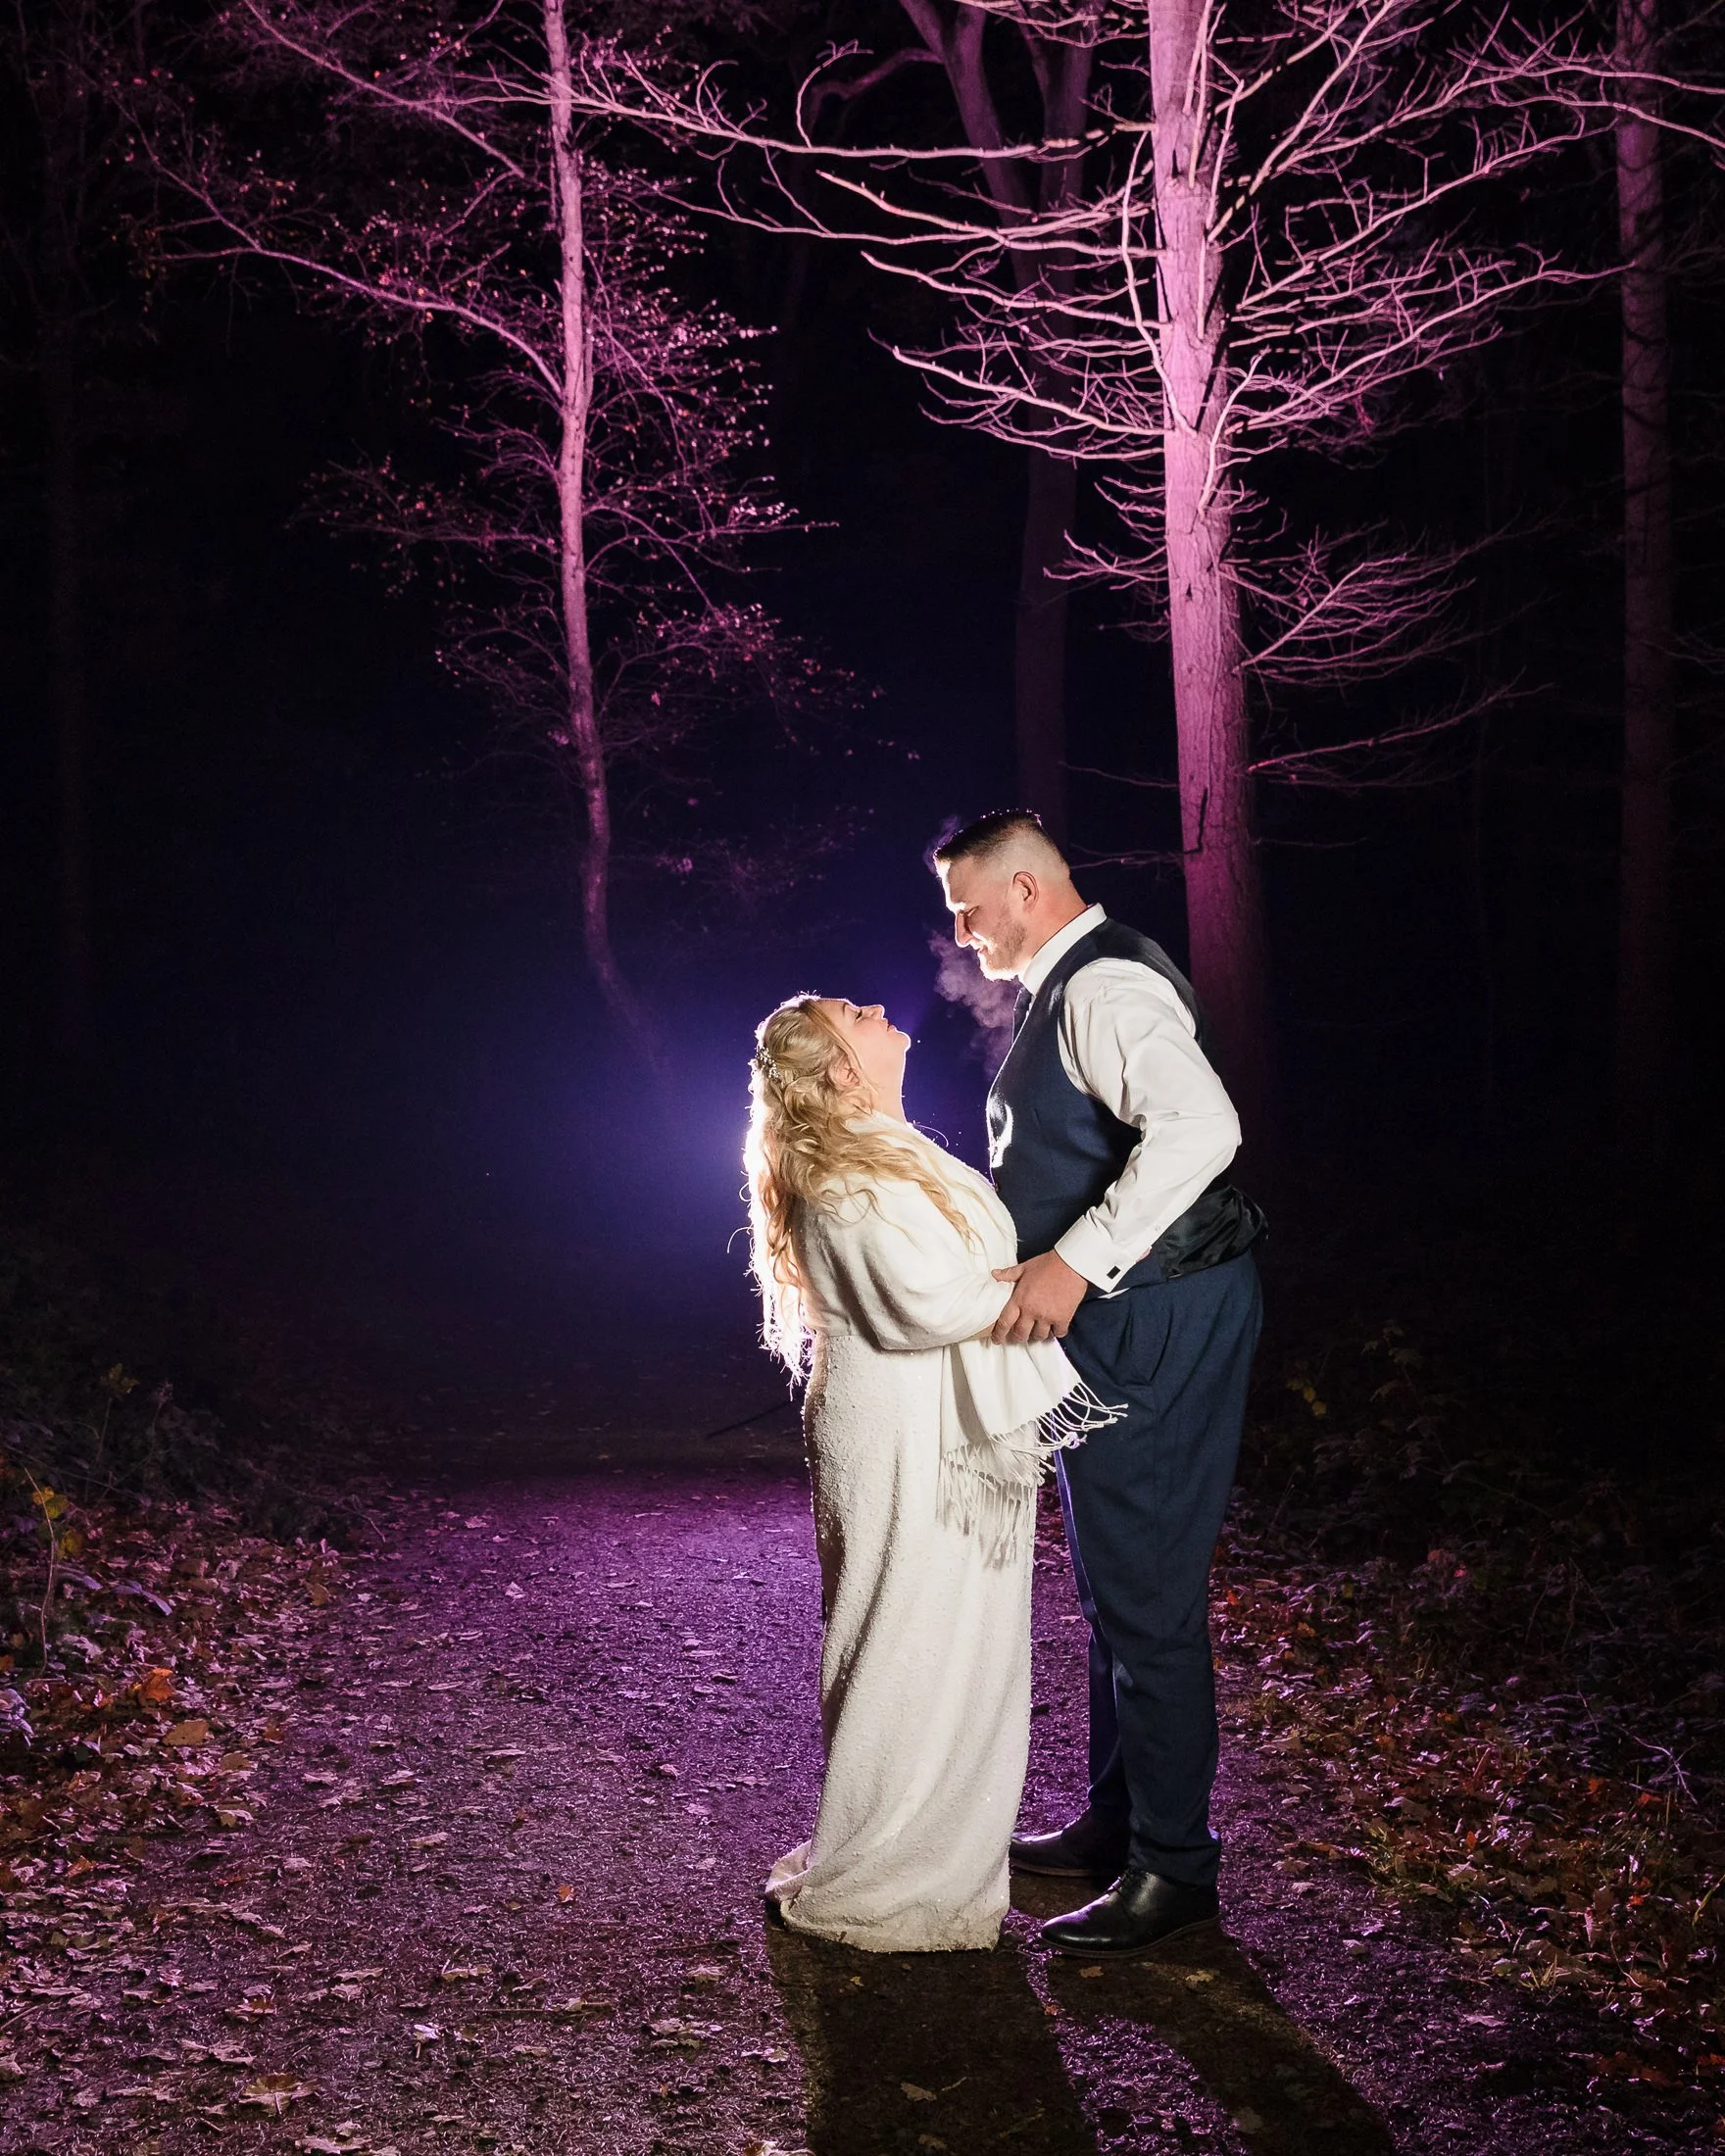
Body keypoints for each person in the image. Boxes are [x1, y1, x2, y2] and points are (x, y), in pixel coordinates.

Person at [933, 811, 1265, 1959]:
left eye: (969, 912)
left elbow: (1201, 1127)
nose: (962, 937)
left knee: (1147, 1595)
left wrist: (1074, 1260)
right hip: (1123, 1318)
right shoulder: (1066, 985)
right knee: (1113, 1584)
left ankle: (1172, 1870)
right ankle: (1116, 1825)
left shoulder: (1105, 985)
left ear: (1025, 889)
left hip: (1159, 1313)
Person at [744, 993, 1121, 1953]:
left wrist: (1065, 1265)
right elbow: (922, 1303)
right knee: (905, 1638)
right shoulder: (838, 1175)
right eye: (853, 1011)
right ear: (839, 1066)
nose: (877, 1007)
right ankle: (883, 1878)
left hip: (947, 1422)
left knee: (969, 1646)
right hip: (900, 1427)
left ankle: (942, 1869)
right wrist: (1071, 1269)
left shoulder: (892, 1147)